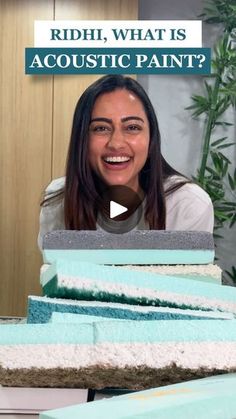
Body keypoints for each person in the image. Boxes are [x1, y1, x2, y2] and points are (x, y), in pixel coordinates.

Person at [38, 74, 214, 249]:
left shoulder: (187, 204)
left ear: (151, 137)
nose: (116, 143)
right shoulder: (58, 200)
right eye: (101, 128)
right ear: (82, 138)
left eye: (132, 127)